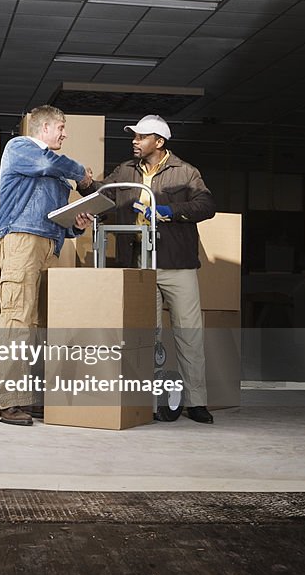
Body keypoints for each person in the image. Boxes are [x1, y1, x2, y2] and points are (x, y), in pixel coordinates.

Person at [78, 114, 216, 424]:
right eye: (135, 136)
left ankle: (196, 403)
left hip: (176, 264)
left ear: (159, 142)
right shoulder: (125, 171)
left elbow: (206, 206)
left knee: (188, 334)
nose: (134, 141)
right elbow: (103, 194)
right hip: (139, 265)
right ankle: (149, 402)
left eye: (141, 137)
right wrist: (87, 184)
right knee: (145, 336)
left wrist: (168, 210)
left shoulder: (185, 172)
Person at [0, 106, 93, 426]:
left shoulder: (57, 169)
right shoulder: (21, 148)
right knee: (17, 318)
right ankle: (7, 402)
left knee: (38, 326)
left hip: (50, 244)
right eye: (61, 127)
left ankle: (29, 397)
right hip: (21, 240)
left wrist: (76, 225)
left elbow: (57, 214)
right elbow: (46, 163)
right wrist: (82, 174)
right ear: (44, 127)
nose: (64, 133)